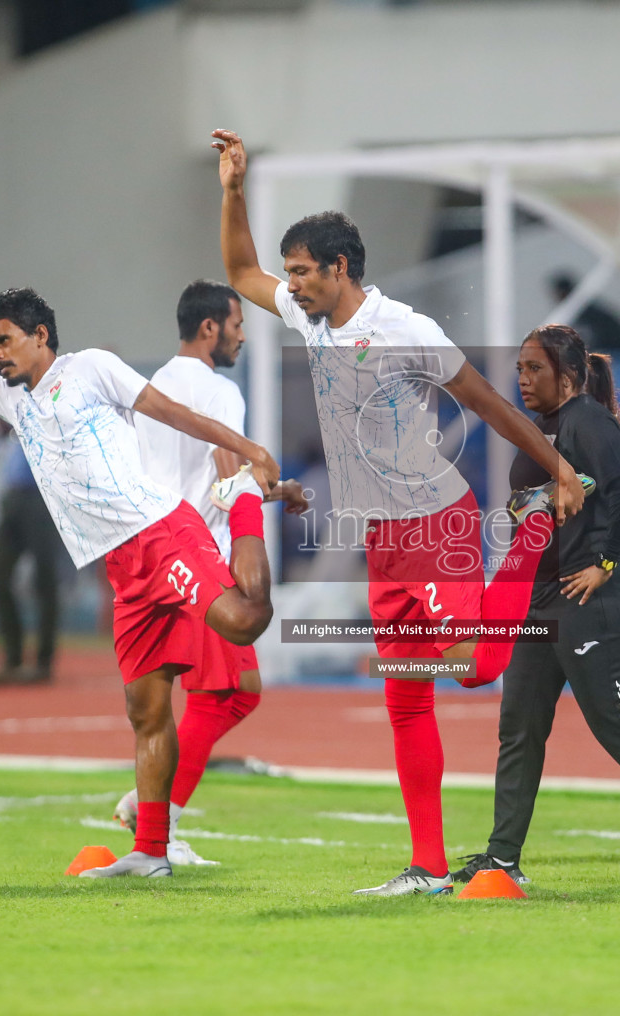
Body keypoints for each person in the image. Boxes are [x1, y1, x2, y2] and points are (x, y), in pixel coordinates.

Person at [214, 128, 589, 896]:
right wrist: (232, 190)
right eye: (291, 275)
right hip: (380, 536)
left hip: (434, 523)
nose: (291, 286)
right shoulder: (309, 317)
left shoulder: (406, 330)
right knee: (405, 699)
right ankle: (424, 868)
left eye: (303, 273)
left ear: (340, 267)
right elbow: (238, 270)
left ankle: (527, 538)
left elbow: (486, 404)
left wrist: (557, 472)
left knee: (478, 667)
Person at [0, 220, 281, 879]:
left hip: (161, 529)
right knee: (146, 709)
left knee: (244, 618)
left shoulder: (91, 368)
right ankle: (149, 852)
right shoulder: (7, 398)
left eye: (5, 341)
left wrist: (250, 454)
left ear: (41, 336)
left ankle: (248, 502)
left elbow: (171, 411)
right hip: (121, 564)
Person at [452, 325, 620, 889]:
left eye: (534, 369)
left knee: (614, 722)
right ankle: (502, 857)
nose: (522, 379)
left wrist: (605, 563)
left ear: (568, 375)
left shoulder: (587, 420)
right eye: (519, 369)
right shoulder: (543, 427)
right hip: (540, 601)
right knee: (519, 726)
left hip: (587, 597)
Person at [118, 279, 310, 867]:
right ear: (210, 328)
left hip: (154, 550)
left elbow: (188, 479)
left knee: (217, 695)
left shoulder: (149, 390)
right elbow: (227, 474)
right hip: (201, 556)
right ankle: (157, 818)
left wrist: (274, 493)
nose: (242, 336)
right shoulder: (217, 392)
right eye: (237, 325)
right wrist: (257, 495)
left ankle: (155, 818)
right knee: (228, 695)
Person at [0, 429, 62, 683]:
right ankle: (13, 654)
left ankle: (43, 660)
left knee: (45, 580)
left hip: (40, 496)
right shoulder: (9, 411)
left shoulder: (44, 402)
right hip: (11, 496)